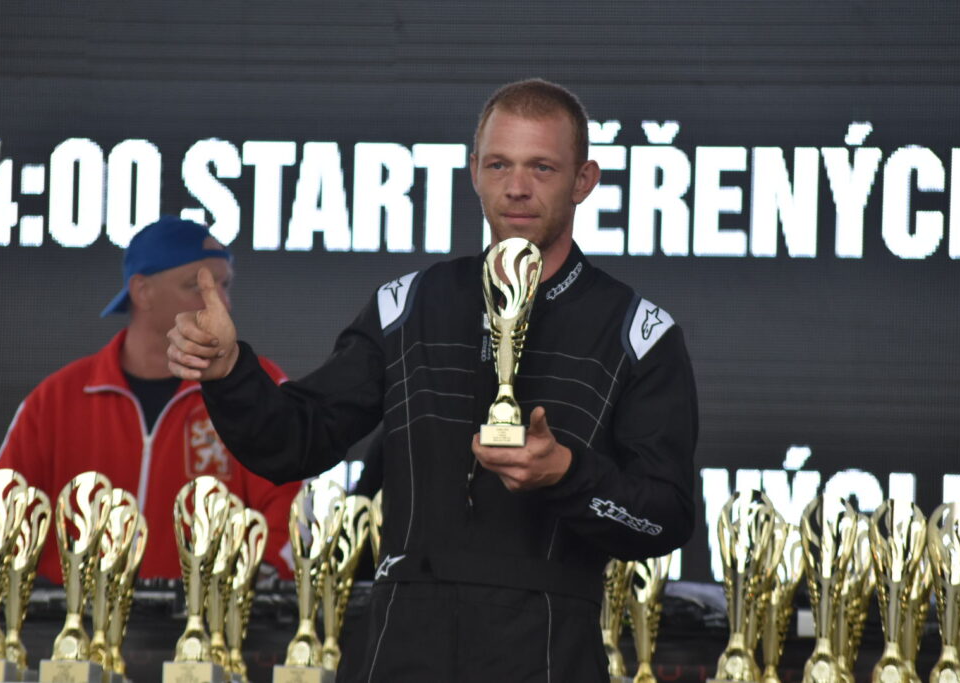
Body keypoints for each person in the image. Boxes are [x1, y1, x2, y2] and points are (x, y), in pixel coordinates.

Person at [168, 79, 698, 682]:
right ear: (473, 171)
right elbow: (296, 442)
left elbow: (666, 517)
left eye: (542, 167)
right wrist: (230, 372)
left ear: (583, 180)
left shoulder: (638, 332)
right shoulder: (408, 305)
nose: (516, 186)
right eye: (498, 164)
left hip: (549, 652)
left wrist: (567, 474)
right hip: (401, 646)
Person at [0, 216, 300, 584]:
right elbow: (0, 519)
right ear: (142, 292)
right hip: (73, 618)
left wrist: (245, 590)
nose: (220, 302)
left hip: (211, 617)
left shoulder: (254, 385)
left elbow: (294, 509)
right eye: (197, 286)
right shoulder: (57, 400)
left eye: (224, 285)